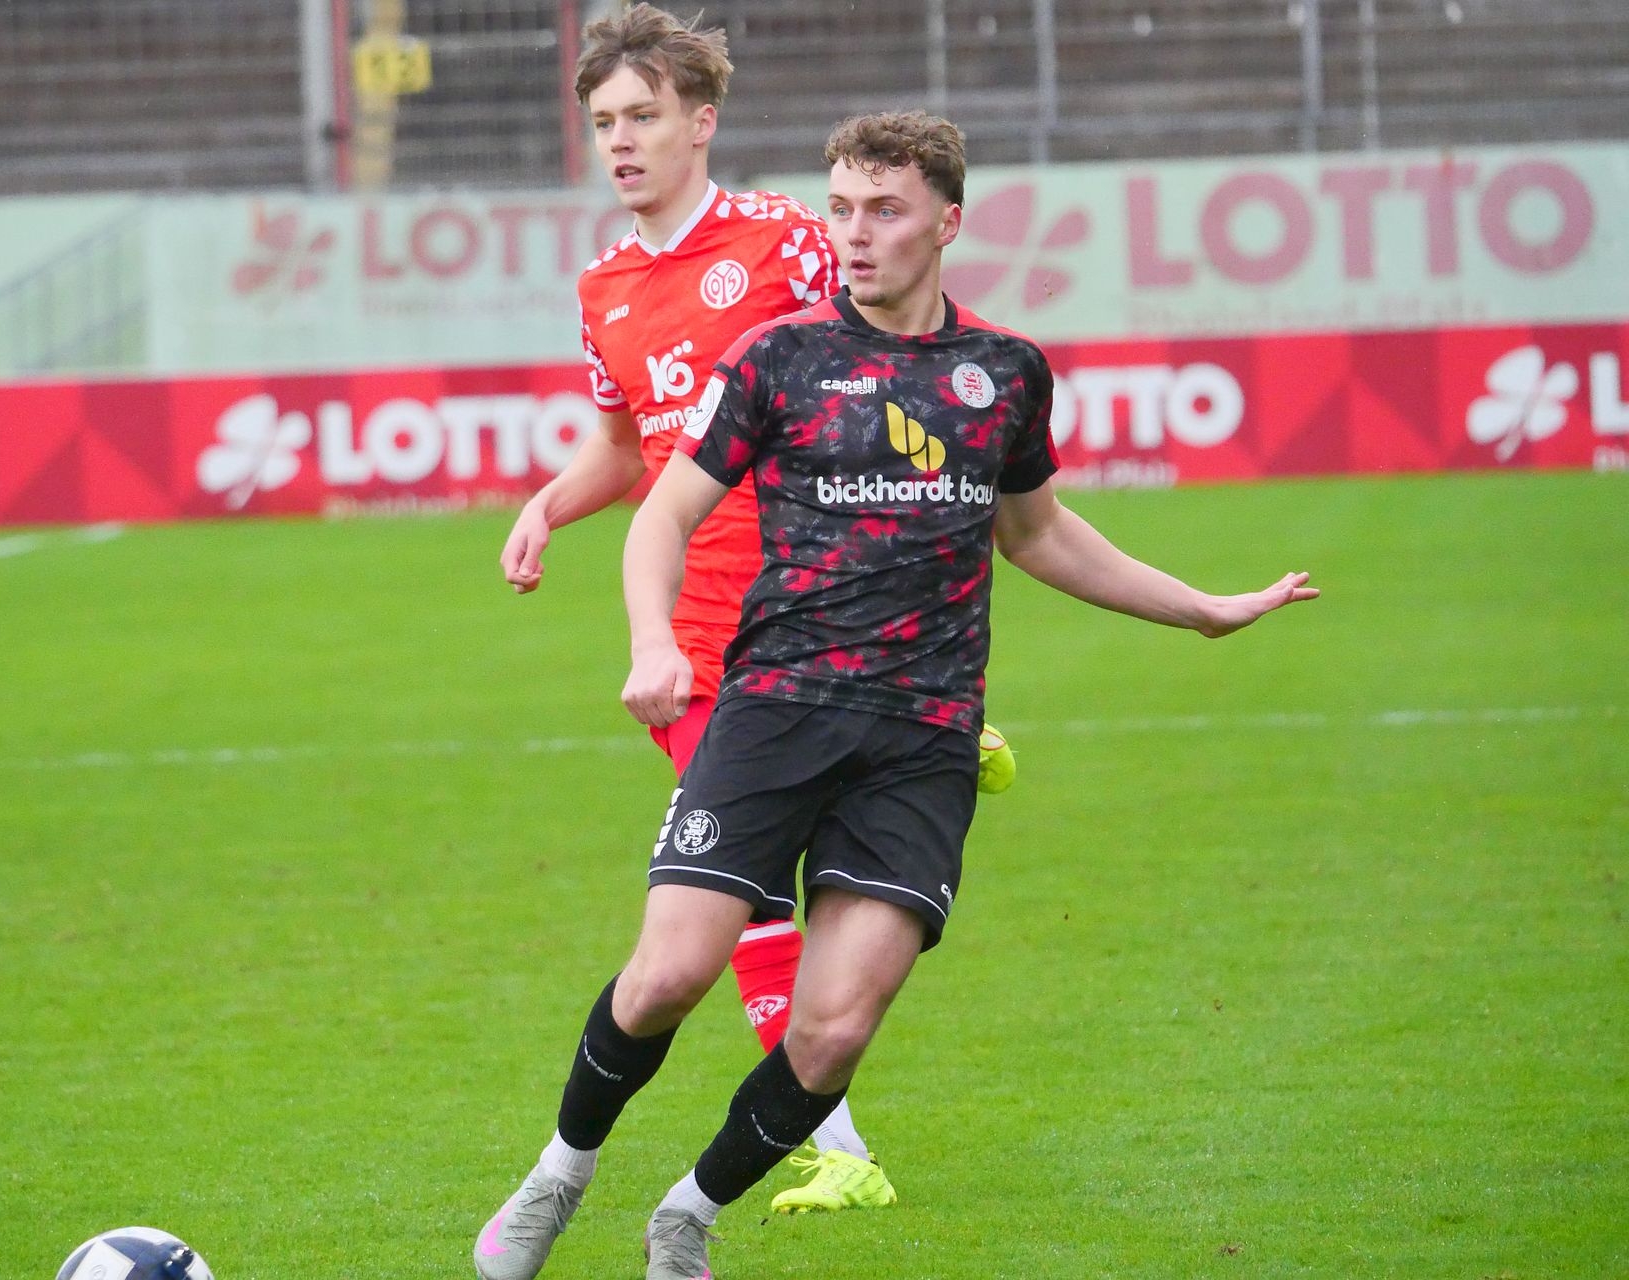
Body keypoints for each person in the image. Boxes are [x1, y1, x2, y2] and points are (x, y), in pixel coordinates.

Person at [476, 107, 1319, 1280]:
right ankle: (558, 1174)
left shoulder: (1004, 372)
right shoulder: (776, 358)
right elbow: (661, 514)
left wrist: (1204, 609)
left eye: (884, 210)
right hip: (774, 709)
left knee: (832, 1030)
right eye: (841, 209)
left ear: (947, 221)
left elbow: (1040, 534)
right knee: (668, 972)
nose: (856, 234)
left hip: (923, 739)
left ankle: (688, 1213)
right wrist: (653, 642)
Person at [496, 1, 901, 1216]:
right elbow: (628, 446)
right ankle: (840, 1145)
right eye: (603, 122)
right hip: (688, 624)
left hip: (812, 610)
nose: (620, 141)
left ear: (702, 121)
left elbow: (888, 364)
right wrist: (550, 503)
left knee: (771, 883)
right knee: (743, 883)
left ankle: (833, 1139)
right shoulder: (604, 285)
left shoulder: (786, 242)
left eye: (642, 116)